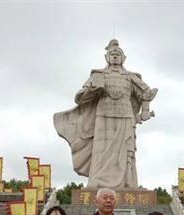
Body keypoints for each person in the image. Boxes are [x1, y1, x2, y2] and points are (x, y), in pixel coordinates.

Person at [54, 39, 158, 188]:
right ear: (106, 57)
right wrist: (92, 90)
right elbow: (80, 97)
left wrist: (146, 110)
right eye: (112, 54)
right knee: (101, 152)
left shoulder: (130, 77)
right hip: (103, 116)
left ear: (123, 58)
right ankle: (98, 180)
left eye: (118, 54)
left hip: (125, 115)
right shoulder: (98, 75)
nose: (115, 56)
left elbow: (146, 93)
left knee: (127, 147)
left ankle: (128, 180)